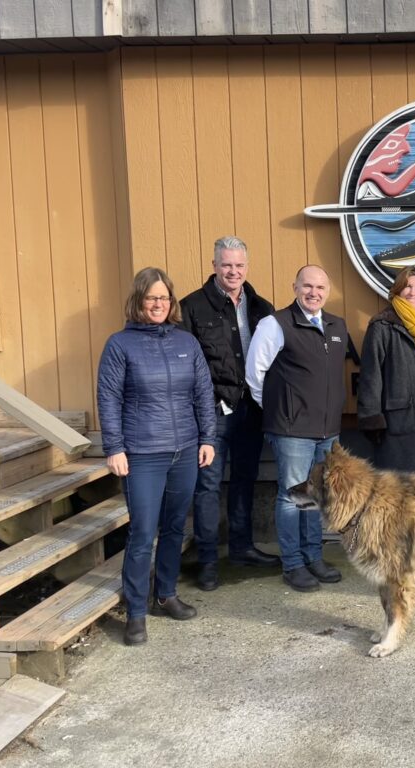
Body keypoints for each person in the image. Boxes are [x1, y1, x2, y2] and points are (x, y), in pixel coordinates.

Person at [97, 267, 216, 646]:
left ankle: (166, 594)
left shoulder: (187, 343)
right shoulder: (119, 345)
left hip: (185, 449)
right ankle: (135, 612)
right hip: (143, 452)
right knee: (143, 531)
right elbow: (109, 398)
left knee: (175, 527)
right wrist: (114, 447)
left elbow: (202, 393)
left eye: (164, 298)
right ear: (138, 301)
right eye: (152, 298)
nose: (158, 304)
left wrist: (207, 438)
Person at [180, 236, 278, 592]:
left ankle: (242, 548)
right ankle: (207, 560)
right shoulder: (191, 307)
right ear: (214, 265)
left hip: (252, 407)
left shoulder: (262, 307)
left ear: (246, 267)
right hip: (212, 411)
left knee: (245, 479)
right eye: (226, 265)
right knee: (207, 485)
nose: (233, 271)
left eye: (239, 265)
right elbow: (186, 365)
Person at [246, 265, 347, 593]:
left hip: (327, 431)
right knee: (292, 497)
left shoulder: (337, 325)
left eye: (320, 287)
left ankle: (314, 557)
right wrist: (281, 410)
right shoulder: (275, 324)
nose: (313, 292)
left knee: (316, 495)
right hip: (291, 431)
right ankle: (293, 564)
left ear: (327, 291)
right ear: (295, 287)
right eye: (307, 286)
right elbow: (255, 375)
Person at [357, 266, 415, 473]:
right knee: (400, 489)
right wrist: (371, 418)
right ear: (397, 290)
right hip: (397, 422)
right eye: (407, 287)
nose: (412, 292)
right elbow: (371, 376)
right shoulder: (381, 325)